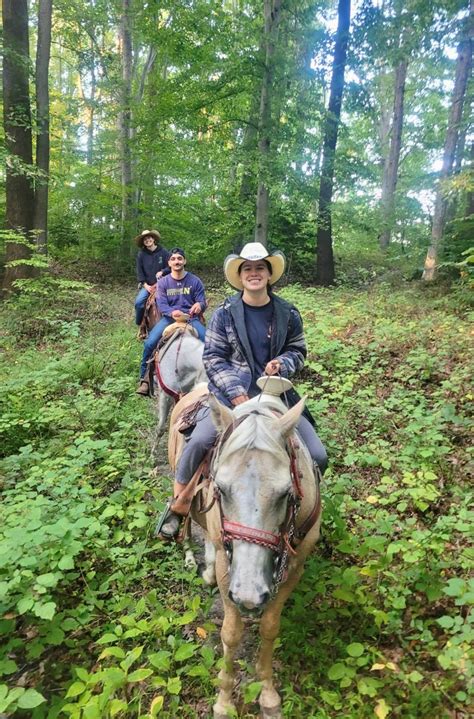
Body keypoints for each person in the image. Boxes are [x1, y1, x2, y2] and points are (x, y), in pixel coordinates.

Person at [158, 241, 328, 538]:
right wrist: (236, 393)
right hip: (230, 396)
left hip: (276, 397)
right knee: (199, 442)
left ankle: (292, 510)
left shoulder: (288, 312)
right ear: (240, 275)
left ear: (269, 274)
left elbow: (297, 350)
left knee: (317, 454)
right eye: (247, 268)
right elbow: (213, 357)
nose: (254, 273)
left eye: (260, 267)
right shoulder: (224, 313)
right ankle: (179, 504)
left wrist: (283, 363)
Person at [137, 247, 207, 395]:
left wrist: (199, 305)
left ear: (185, 261)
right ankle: (144, 379)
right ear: (169, 263)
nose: (177, 261)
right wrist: (171, 312)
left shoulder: (195, 281)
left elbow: (202, 301)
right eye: (173, 259)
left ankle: (212, 377)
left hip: (191, 319)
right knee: (149, 344)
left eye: (180, 258)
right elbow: (162, 304)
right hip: (169, 319)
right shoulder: (163, 283)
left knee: (209, 344)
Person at [134, 229, 170, 326]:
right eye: (145, 239)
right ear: (143, 242)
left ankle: (172, 321)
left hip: (163, 284)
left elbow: (170, 266)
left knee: (172, 300)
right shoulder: (141, 254)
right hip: (148, 286)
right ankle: (139, 324)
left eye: (149, 238)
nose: (147, 240)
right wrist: (147, 286)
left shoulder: (163, 252)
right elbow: (140, 272)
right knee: (139, 303)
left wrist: (163, 271)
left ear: (153, 239)